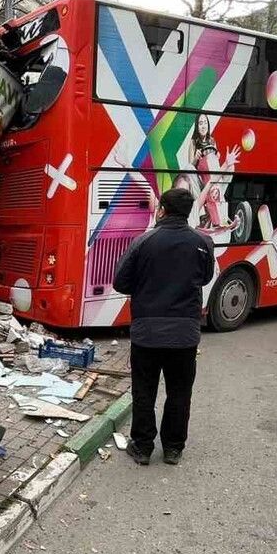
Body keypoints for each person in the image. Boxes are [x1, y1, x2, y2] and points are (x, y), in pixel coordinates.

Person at [114, 187, 215, 465]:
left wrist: (146, 285)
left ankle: (142, 447)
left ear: (162, 210)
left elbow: (120, 282)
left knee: (144, 391)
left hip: (146, 333)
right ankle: (173, 448)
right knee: (180, 392)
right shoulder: (202, 243)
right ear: (188, 212)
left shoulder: (143, 242)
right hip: (185, 335)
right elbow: (205, 277)